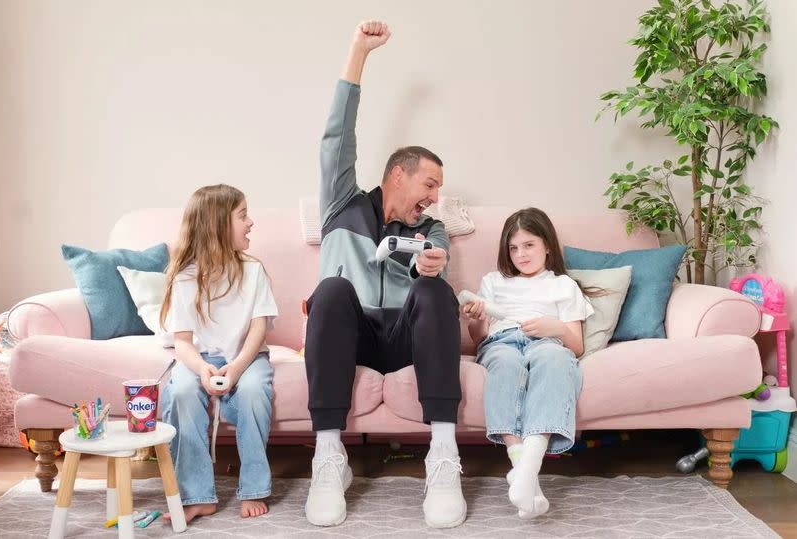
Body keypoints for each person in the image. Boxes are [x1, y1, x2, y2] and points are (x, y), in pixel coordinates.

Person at [303, 20, 465, 529]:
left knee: (435, 291)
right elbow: (337, 137)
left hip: (399, 337)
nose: (435, 197)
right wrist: (358, 53)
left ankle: (443, 456)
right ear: (398, 174)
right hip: (348, 336)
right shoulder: (341, 207)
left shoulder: (432, 229)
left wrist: (428, 264)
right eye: (430, 184)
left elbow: (432, 260)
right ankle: (328, 459)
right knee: (329, 290)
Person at [462, 207, 593, 519]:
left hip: (548, 341)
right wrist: (477, 321)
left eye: (529, 245)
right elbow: (479, 339)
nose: (521, 254)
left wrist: (557, 328)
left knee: (555, 359)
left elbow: (576, 346)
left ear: (547, 245)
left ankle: (526, 469)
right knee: (505, 365)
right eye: (514, 247)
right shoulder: (493, 282)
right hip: (501, 341)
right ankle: (524, 471)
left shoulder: (563, 285)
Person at [159, 184, 278, 523]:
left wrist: (238, 367)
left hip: (248, 356)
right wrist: (201, 369)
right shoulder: (185, 277)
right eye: (243, 216)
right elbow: (182, 341)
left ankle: (254, 487)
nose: (250, 222)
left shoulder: (253, 270)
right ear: (217, 226)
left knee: (255, 391)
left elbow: (258, 328)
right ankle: (197, 496)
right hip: (201, 358)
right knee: (180, 391)